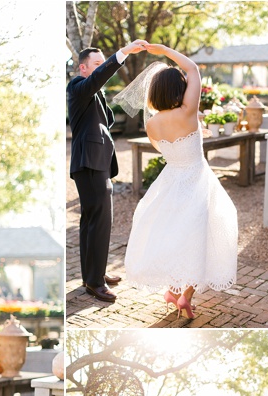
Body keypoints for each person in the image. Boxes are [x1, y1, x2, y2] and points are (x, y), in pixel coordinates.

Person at [116, 44, 238, 320]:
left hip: (170, 182)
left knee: (176, 236)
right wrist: (161, 49)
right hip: (196, 182)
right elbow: (193, 68)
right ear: (178, 90)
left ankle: (172, 290)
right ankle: (185, 297)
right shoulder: (187, 112)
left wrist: (195, 132)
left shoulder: (152, 124)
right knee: (200, 238)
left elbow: (167, 148)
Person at [67, 39, 149, 304]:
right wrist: (123, 53)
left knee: (92, 222)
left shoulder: (93, 93)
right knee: (99, 221)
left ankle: (94, 274)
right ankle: (95, 283)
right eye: (97, 64)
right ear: (83, 68)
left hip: (95, 162)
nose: (102, 67)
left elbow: (106, 117)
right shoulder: (78, 86)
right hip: (89, 163)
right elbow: (97, 80)